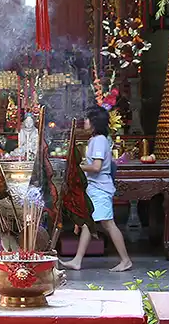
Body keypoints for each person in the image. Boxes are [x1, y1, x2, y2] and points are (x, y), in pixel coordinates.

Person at [60, 106, 133, 272]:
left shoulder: (99, 140)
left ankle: (126, 260)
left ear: (94, 122)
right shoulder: (96, 139)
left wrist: (77, 167)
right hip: (95, 188)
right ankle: (77, 260)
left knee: (108, 224)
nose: (84, 121)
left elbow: (97, 167)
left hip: (100, 189)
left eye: (87, 119)